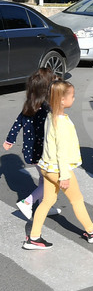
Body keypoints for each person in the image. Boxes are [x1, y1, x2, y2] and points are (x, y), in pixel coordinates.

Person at [25, 80, 93, 248]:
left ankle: (34, 237)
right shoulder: (62, 123)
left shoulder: (50, 116)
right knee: (77, 200)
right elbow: (61, 152)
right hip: (58, 170)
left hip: (46, 167)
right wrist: (64, 176)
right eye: (72, 95)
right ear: (62, 101)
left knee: (47, 201)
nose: (74, 97)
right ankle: (91, 231)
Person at [4, 68, 56, 221]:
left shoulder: (29, 105)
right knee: (50, 181)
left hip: (31, 152)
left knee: (43, 179)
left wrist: (9, 140)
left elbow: (17, 123)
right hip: (42, 152)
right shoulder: (45, 109)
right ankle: (28, 202)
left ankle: (45, 205)